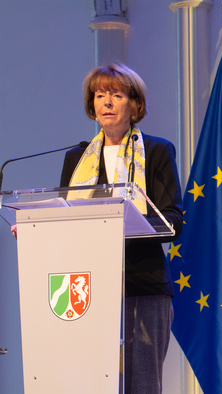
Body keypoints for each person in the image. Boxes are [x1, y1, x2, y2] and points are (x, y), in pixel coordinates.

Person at [60, 63, 183, 394]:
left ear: (135, 104)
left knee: (142, 384)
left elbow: (172, 218)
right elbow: (64, 216)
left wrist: (132, 224)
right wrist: (38, 232)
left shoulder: (157, 151)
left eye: (116, 94)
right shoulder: (76, 158)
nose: (107, 102)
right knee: (91, 383)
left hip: (143, 284)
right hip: (88, 287)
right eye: (100, 95)